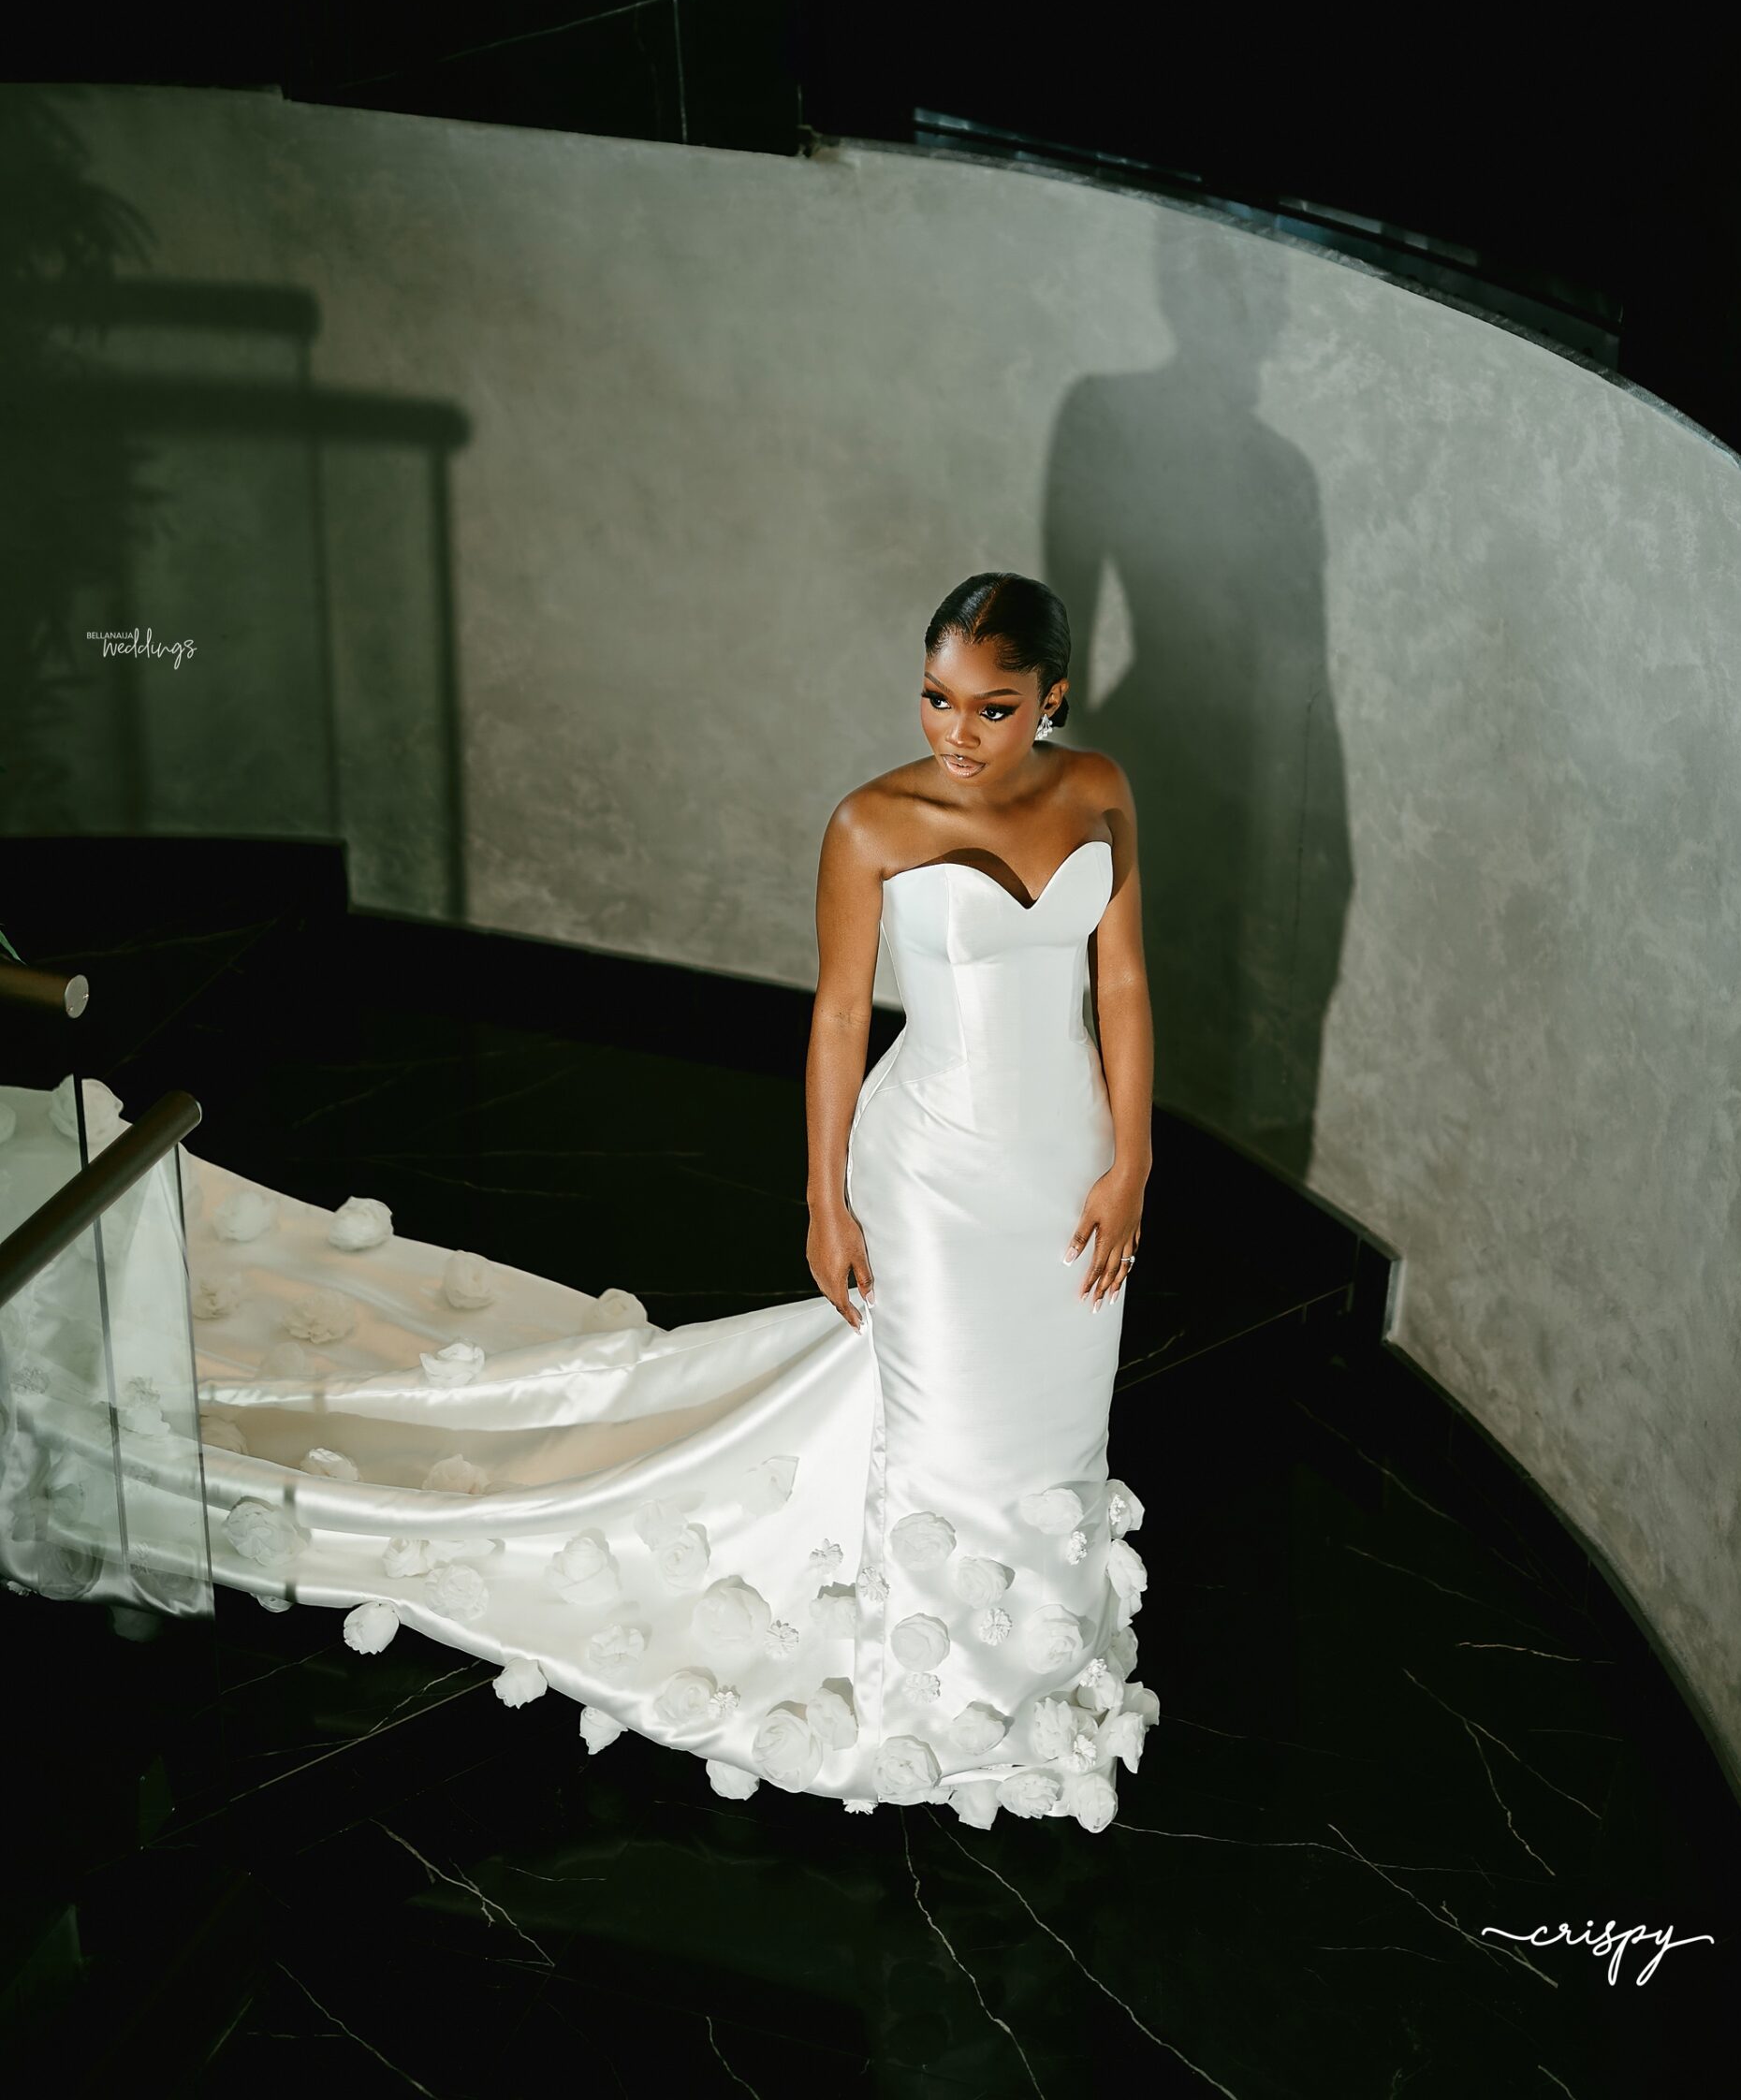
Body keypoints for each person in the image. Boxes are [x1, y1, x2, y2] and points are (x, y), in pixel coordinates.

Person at [175, 571, 1158, 1827]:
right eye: (935, 698)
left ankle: (1047, 1663)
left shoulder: (1098, 790)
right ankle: (942, 1699)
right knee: (953, 1424)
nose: (955, 734)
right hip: (932, 1169)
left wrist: (1130, 1162)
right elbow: (840, 1019)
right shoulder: (872, 824)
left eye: (993, 709)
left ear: (1052, 699)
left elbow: (1121, 985)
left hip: (1068, 1157)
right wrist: (825, 1201)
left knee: (1052, 1417)